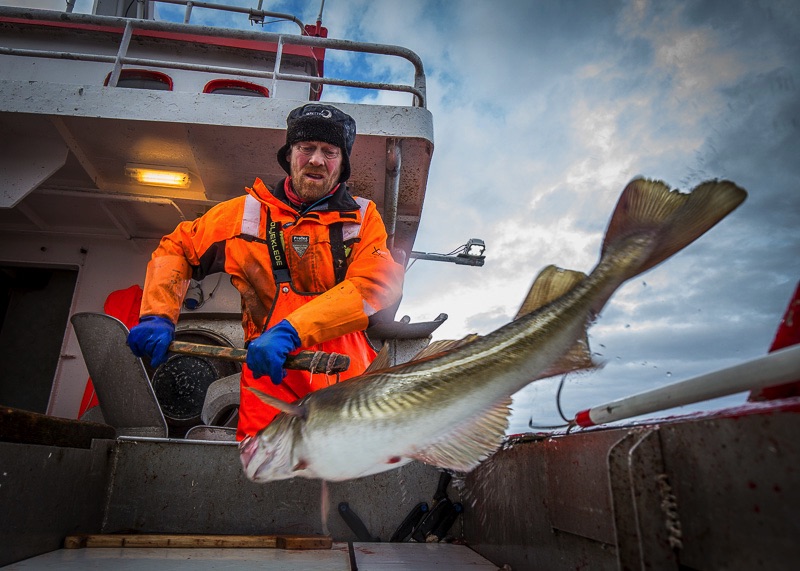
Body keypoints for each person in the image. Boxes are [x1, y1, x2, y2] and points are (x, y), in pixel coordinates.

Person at [127, 104, 405, 440]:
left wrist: (291, 331)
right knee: (263, 479)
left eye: (329, 151)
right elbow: (178, 248)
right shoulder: (244, 213)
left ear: (342, 164)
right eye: (306, 148)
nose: (316, 160)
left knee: (348, 478)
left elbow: (374, 284)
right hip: (269, 388)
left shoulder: (363, 217)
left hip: (346, 390)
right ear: (289, 155)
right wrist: (158, 314)